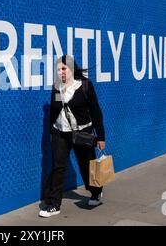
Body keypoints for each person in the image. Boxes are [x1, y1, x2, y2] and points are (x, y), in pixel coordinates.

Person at [39, 55, 106, 218]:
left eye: (63, 68)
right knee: (58, 167)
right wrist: (50, 132)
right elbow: (54, 111)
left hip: (82, 132)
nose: (60, 72)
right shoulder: (56, 87)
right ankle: (54, 204)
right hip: (60, 133)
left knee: (87, 166)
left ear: (71, 68)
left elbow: (96, 112)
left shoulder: (85, 86)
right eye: (58, 69)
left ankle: (96, 192)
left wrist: (101, 137)